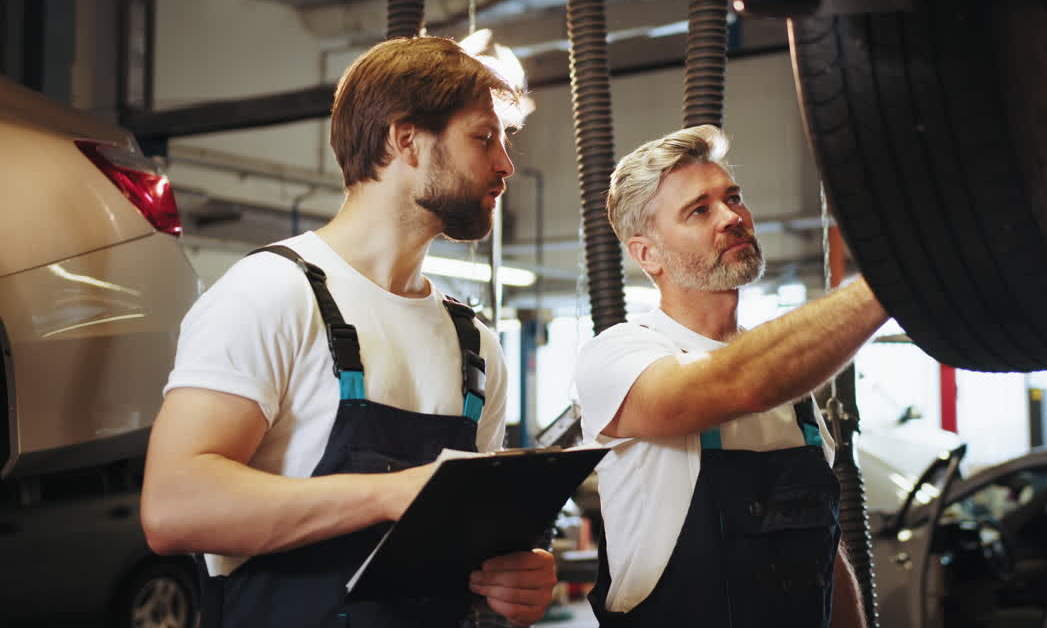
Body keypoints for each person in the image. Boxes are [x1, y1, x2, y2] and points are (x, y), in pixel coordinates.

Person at [141, 36, 556, 628]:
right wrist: (388, 494)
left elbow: (462, 548)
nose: (506, 166)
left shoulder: (476, 346)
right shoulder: (271, 293)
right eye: (484, 138)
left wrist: (511, 579)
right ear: (405, 139)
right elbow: (172, 506)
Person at [574, 125, 889, 628]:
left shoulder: (793, 383)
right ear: (647, 254)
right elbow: (740, 386)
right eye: (699, 209)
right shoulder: (619, 355)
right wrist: (894, 283)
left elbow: (823, 555)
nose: (733, 218)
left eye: (734, 198)